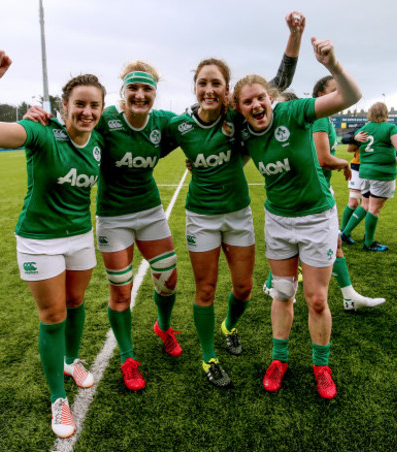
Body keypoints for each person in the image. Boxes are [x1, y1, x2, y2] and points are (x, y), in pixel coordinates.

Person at [0, 50, 105, 438]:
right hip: (39, 241)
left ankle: (71, 361)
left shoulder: (100, 140)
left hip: (79, 238)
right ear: (64, 106)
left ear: (102, 109)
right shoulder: (41, 133)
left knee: (76, 303)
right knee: (53, 315)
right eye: (79, 104)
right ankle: (58, 400)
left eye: (94, 106)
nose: (87, 112)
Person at [162, 12, 305, 387]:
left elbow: (279, 82)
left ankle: (230, 325)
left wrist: (294, 35)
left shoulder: (238, 115)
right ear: (194, 86)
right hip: (202, 218)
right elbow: (142, 139)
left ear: (226, 90)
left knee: (243, 288)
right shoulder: (179, 125)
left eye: (216, 83)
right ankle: (208, 357)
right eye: (202, 83)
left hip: (238, 214)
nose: (208, 89)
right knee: (205, 289)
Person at [25, 61, 180, 392]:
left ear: (155, 93)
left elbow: (200, 125)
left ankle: (163, 328)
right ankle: (127, 357)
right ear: (123, 93)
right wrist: (41, 118)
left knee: (168, 279)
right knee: (121, 291)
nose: (140, 95)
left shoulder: (164, 122)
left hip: (151, 211)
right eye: (132, 89)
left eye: (147, 89)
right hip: (113, 217)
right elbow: (73, 131)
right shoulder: (105, 119)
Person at [233, 37, 362, 398]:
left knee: (317, 298)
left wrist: (333, 65)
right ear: (241, 108)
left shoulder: (295, 112)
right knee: (283, 292)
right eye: (248, 101)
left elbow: (350, 97)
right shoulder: (245, 134)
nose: (257, 104)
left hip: (317, 218)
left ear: (269, 99)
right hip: (278, 220)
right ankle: (280, 359)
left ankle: (321, 365)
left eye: (261, 97)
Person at [263, 78, 385, 311]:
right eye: (334, 90)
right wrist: (345, 163)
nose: (339, 94)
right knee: (307, 244)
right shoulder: (319, 119)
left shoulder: (322, 118)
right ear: (321, 94)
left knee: (322, 243)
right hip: (314, 191)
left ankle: (348, 297)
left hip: (315, 189)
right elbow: (323, 159)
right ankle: (348, 297)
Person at [339, 102, 397, 251]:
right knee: (374, 209)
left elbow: (350, 148)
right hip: (382, 174)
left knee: (366, 206)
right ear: (386, 114)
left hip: (365, 172)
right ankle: (369, 243)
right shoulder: (391, 128)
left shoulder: (364, 129)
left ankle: (345, 232)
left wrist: (354, 137)